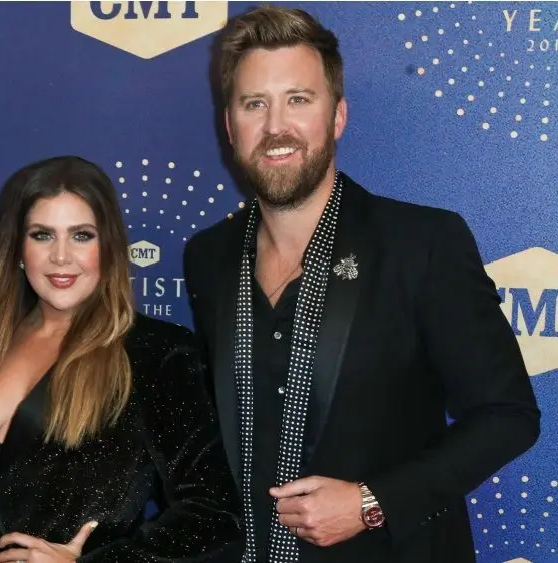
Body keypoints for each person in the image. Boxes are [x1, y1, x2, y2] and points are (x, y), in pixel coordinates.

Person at [183, 7, 541, 563]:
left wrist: (373, 502)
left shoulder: (422, 245)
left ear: (338, 116)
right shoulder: (208, 257)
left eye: (298, 100)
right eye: (255, 104)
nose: (276, 127)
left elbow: (508, 416)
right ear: (230, 126)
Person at [0, 155, 244, 562]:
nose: (61, 257)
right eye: (42, 235)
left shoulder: (155, 353)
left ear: (109, 247)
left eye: (81, 235)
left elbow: (216, 516)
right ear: (18, 248)